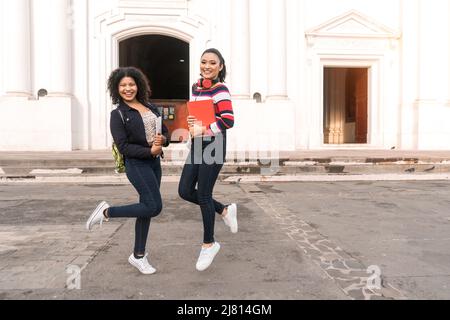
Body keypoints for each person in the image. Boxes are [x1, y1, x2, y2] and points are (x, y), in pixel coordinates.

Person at [86, 67, 170, 275]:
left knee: (146, 208)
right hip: (137, 164)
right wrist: (150, 150)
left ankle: (138, 256)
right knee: (154, 206)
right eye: (123, 85)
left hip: (154, 163)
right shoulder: (118, 114)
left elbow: (165, 131)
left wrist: (163, 140)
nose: (127, 88)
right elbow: (123, 147)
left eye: (131, 84)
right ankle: (106, 212)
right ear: (116, 88)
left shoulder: (150, 107)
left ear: (138, 85)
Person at [178, 48, 238, 272]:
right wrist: (192, 128)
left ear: (220, 67)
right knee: (184, 190)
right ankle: (224, 210)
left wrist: (205, 127)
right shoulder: (195, 87)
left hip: (214, 145)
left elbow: (228, 120)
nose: (207, 66)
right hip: (197, 144)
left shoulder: (220, 89)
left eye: (213, 63)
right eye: (204, 62)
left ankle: (209, 244)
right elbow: (196, 114)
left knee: (203, 195)